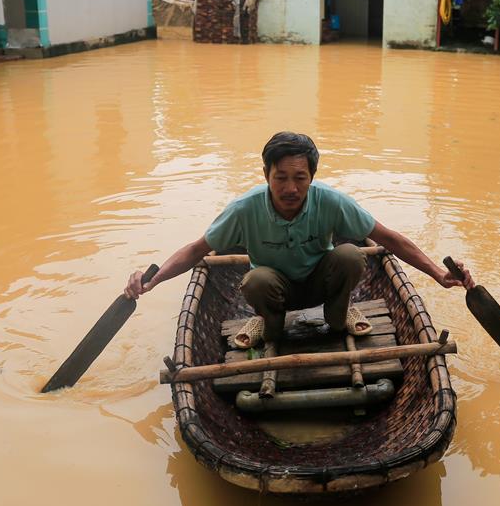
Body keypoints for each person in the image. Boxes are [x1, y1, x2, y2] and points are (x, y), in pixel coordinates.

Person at [124, 132, 474, 347]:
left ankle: (338, 316)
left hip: (321, 284)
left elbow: (389, 239)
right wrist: (151, 281)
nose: (290, 188)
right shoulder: (244, 209)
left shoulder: (331, 201)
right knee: (256, 279)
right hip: (276, 292)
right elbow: (197, 250)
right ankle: (267, 324)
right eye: (280, 178)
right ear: (266, 175)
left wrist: (438, 275)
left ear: (312, 177)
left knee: (352, 254)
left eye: (300, 178)